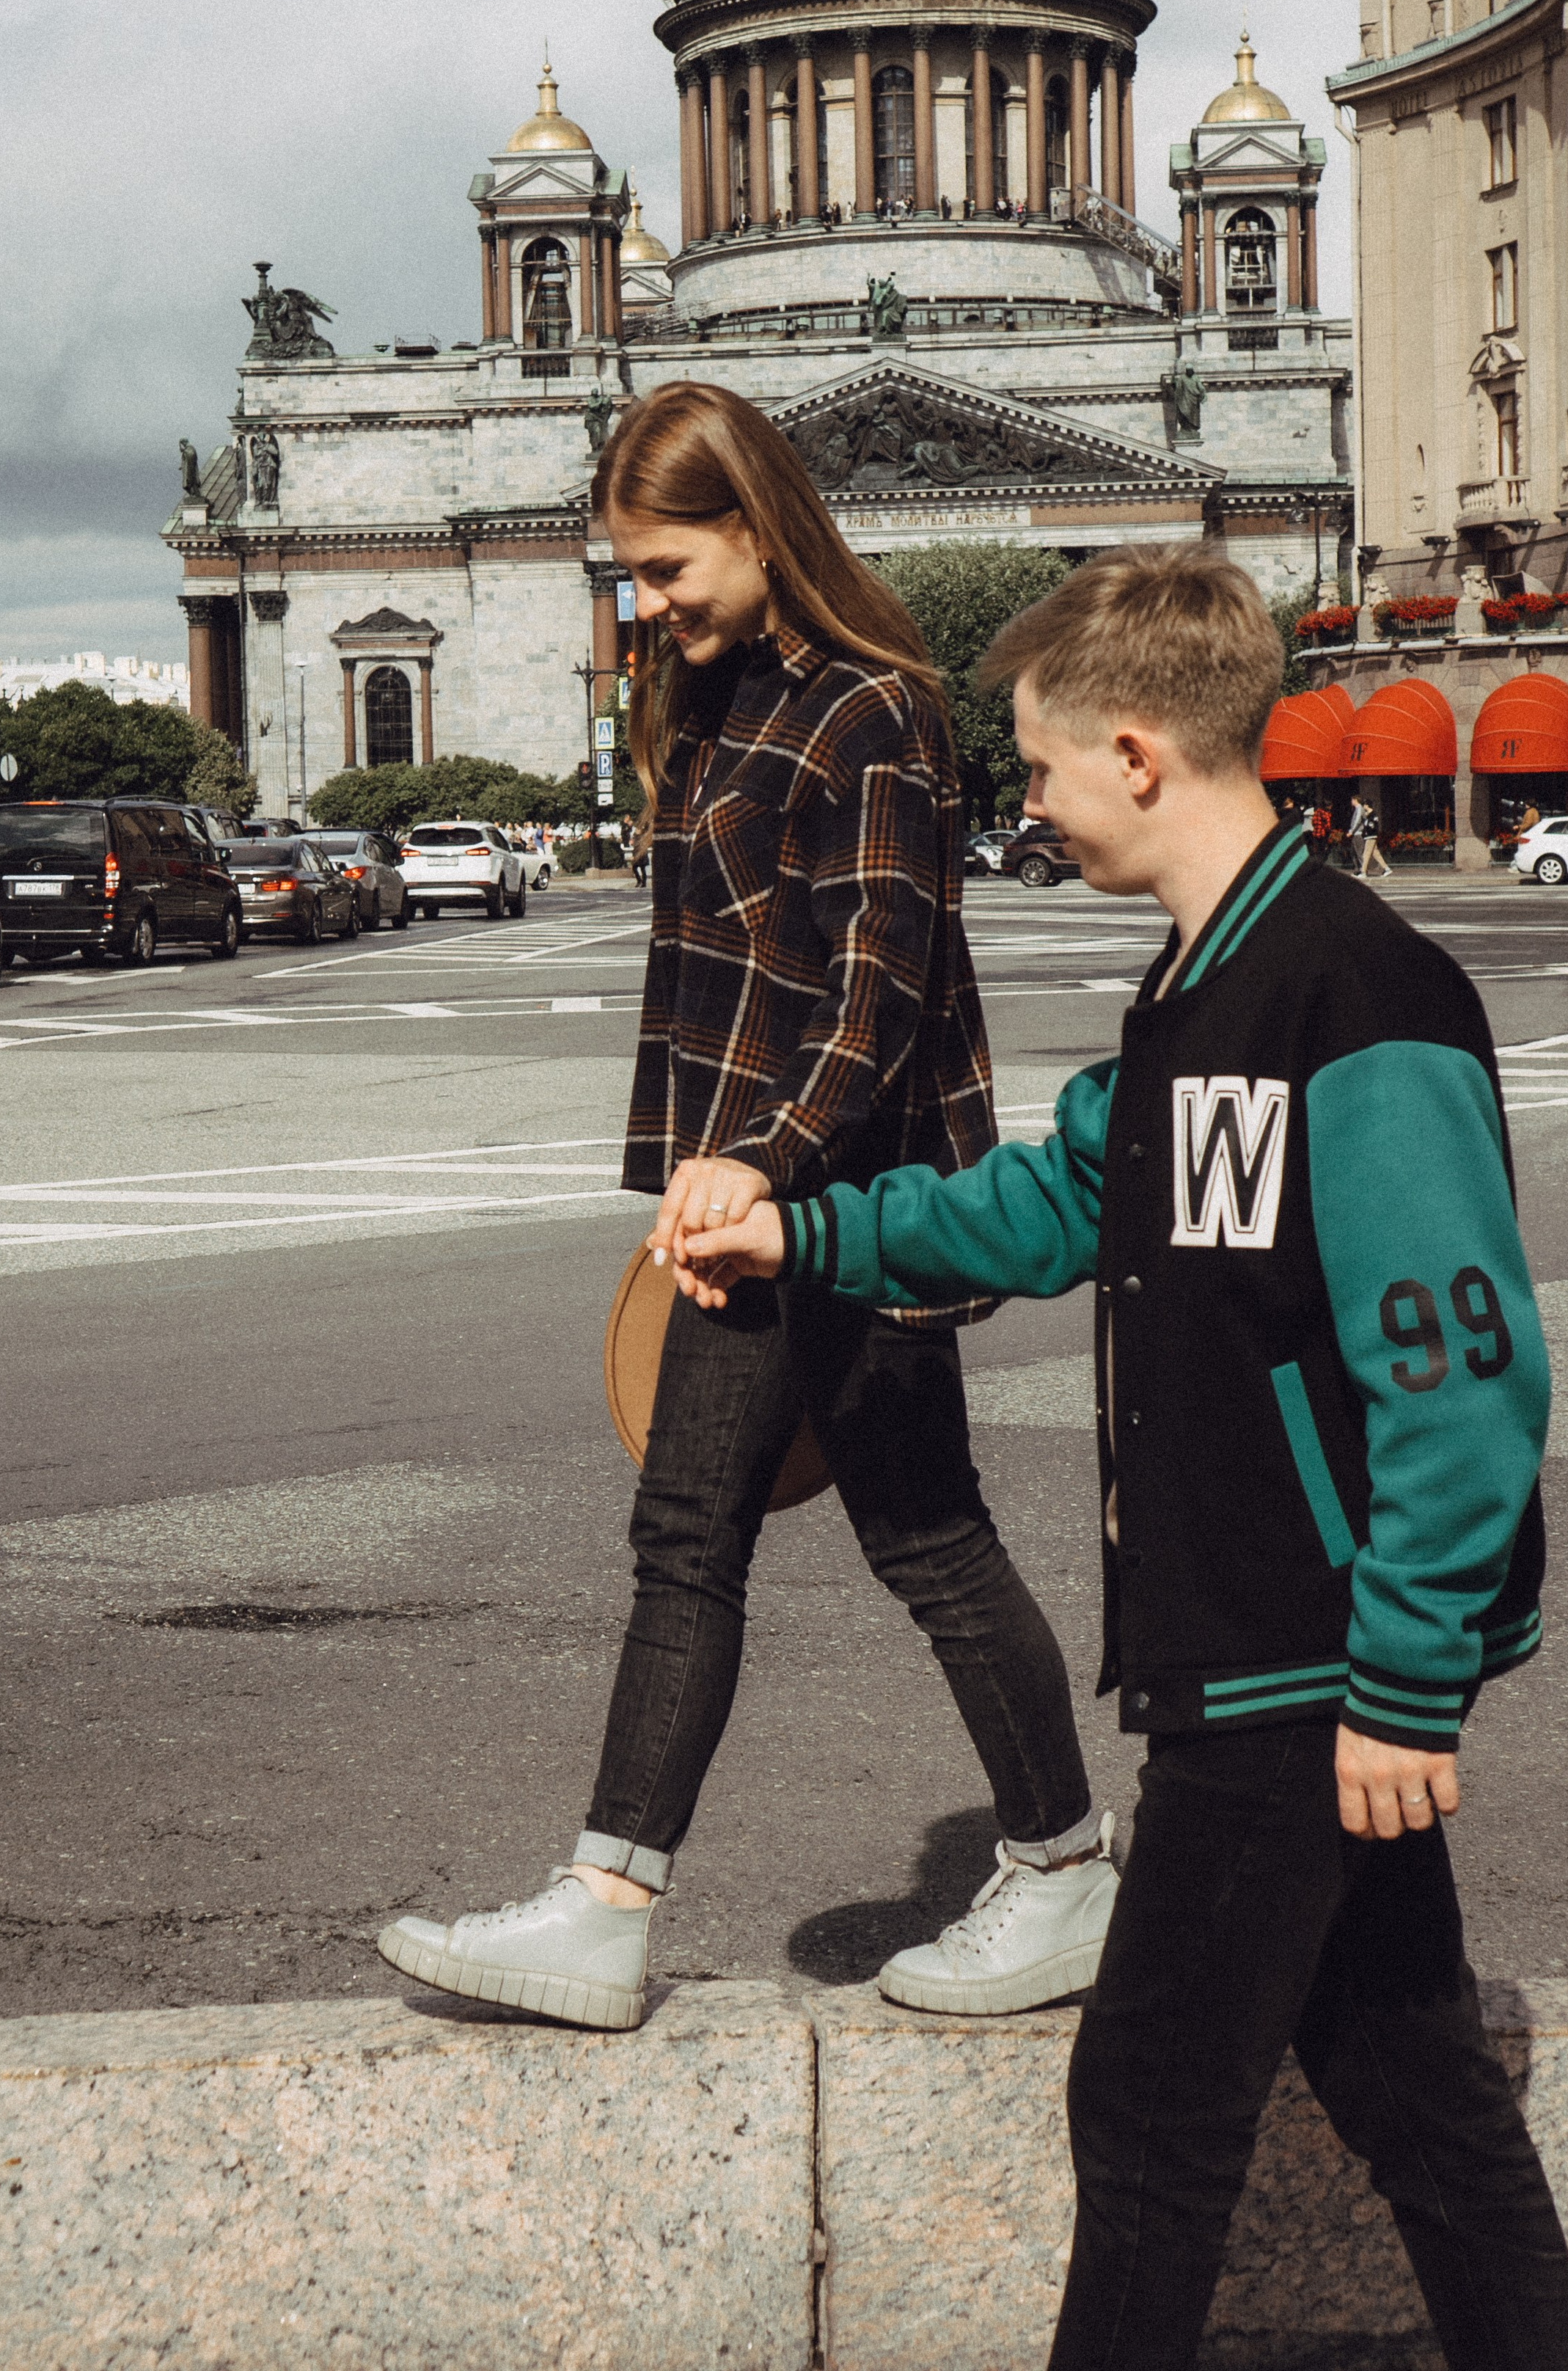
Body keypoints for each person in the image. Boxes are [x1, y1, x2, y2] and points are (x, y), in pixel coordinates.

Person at [679, 548, 1568, 2371]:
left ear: (1133, 753)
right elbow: (1049, 1202)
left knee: (1148, 2107)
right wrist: (804, 1233)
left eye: (1034, 767)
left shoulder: (1356, 994)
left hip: (1303, 1653)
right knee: (1415, 2094)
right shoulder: (1199, 986)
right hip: (1264, 1638)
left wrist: (1403, 1685)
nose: (1024, 804)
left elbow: (1460, 1377)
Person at [377, 380, 1117, 2031]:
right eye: (628, 574)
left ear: (757, 527)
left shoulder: (873, 710)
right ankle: (1050, 1865)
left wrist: (760, 1163)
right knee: (865, 1534)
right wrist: (708, 1168)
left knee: (794, 1537)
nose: (646, 604)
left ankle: (622, 1905)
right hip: (757, 1188)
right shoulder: (707, 697)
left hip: (840, 1194)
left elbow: (874, 988)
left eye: (666, 568)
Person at [1348, 792, 1390, 880]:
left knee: (1366, 854)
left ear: (1367, 806)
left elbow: (1371, 826)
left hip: (1370, 837)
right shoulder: (1369, 815)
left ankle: (1363, 872)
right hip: (1369, 836)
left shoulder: (1372, 815)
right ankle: (1387, 869)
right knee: (1376, 854)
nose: (1363, 806)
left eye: (1364, 805)